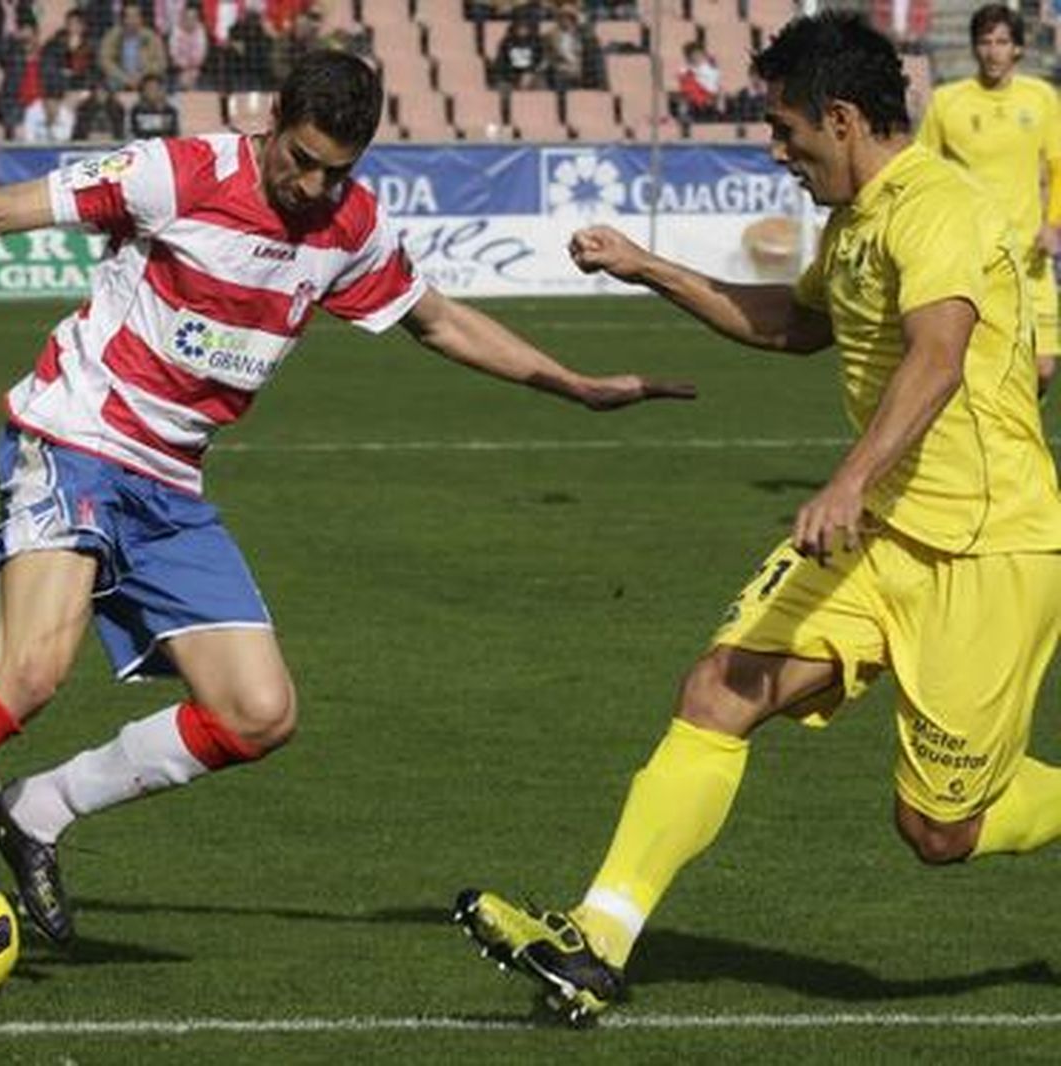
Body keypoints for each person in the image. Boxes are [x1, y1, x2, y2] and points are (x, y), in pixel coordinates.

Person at [0, 48, 692, 985]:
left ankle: (37, 811)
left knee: (258, 713)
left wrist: (573, 384)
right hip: (73, 439)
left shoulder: (348, 225)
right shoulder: (177, 173)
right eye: (302, 160)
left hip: (171, 486)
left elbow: (437, 321)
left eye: (336, 171)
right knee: (29, 670)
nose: (314, 186)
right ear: (271, 121)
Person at [455, 12, 1061, 1026]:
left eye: (785, 131)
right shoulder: (858, 216)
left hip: (988, 546)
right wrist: (650, 267)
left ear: (840, 116)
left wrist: (849, 479)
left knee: (937, 830)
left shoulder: (936, 207)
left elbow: (938, 356)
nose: (776, 151)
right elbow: (793, 325)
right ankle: (595, 941)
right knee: (718, 688)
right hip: (880, 536)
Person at [918, 5, 1061, 394]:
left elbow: (1058, 167)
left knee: (1043, 368)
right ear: (974, 48)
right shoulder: (947, 102)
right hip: (971, 256)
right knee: (974, 366)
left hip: (1030, 257)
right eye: (985, 41)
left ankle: (1017, 424)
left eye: (1002, 42)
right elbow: (923, 171)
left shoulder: (1042, 98)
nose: (993, 51)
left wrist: (1053, 223)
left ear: (1018, 48)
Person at [98, 2, 168, 91]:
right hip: (120, 78)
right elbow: (105, 61)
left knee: (154, 86)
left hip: (144, 77)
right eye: (129, 17)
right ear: (123, 19)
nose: (133, 20)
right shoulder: (112, 36)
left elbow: (161, 63)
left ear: (141, 19)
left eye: (136, 16)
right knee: (110, 84)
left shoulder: (151, 37)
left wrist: (142, 74)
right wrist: (125, 78)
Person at [676, 42, 725, 121]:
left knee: (720, 91)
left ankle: (719, 115)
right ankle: (684, 116)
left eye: (698, 54)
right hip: (694, 102)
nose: (697, 57)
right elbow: (686, 89)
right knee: (685, 93)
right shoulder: (684, 70)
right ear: (689, 57)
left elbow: (715, 86)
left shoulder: (710, 68)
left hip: (709, 101)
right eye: (693, 55)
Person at [128, 69, 179, 137]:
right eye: (148, 89)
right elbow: (136, 133)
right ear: (143, 92)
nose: (151, 92)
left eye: (155, 88)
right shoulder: (137, 110)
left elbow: (173, 134)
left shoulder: (170, 111)